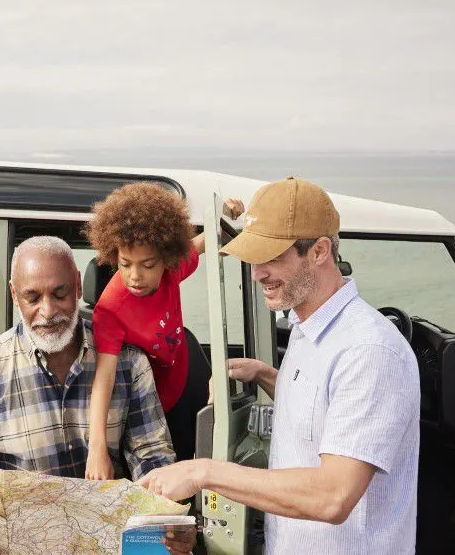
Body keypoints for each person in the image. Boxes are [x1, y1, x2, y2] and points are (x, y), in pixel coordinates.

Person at [138, 177, 421, 555]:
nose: (256, 274)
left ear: (319, 251)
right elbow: (319, 411)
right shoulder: (309, 327)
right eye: (253, 259)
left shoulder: (368, 351)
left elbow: (333, 497)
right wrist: (268, 375)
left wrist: (201, 472)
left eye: (271, 257)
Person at [0, 235, 196, 555]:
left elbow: (152, 456)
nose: (47, 311)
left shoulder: (128, 364)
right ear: (14, 294)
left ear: (78, 286)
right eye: (32, 297)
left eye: (60, 293)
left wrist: (166, 518)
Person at [84, 183, 244, 479]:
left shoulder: (174, 269)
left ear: (166, 260)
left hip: (185, 383)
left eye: (148, 265)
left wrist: (226, 215)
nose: (135, 276)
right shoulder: (110, 311)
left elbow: (209, 237)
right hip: (151, 409)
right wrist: (97, 449)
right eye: (125, 264)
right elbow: (103, 379)